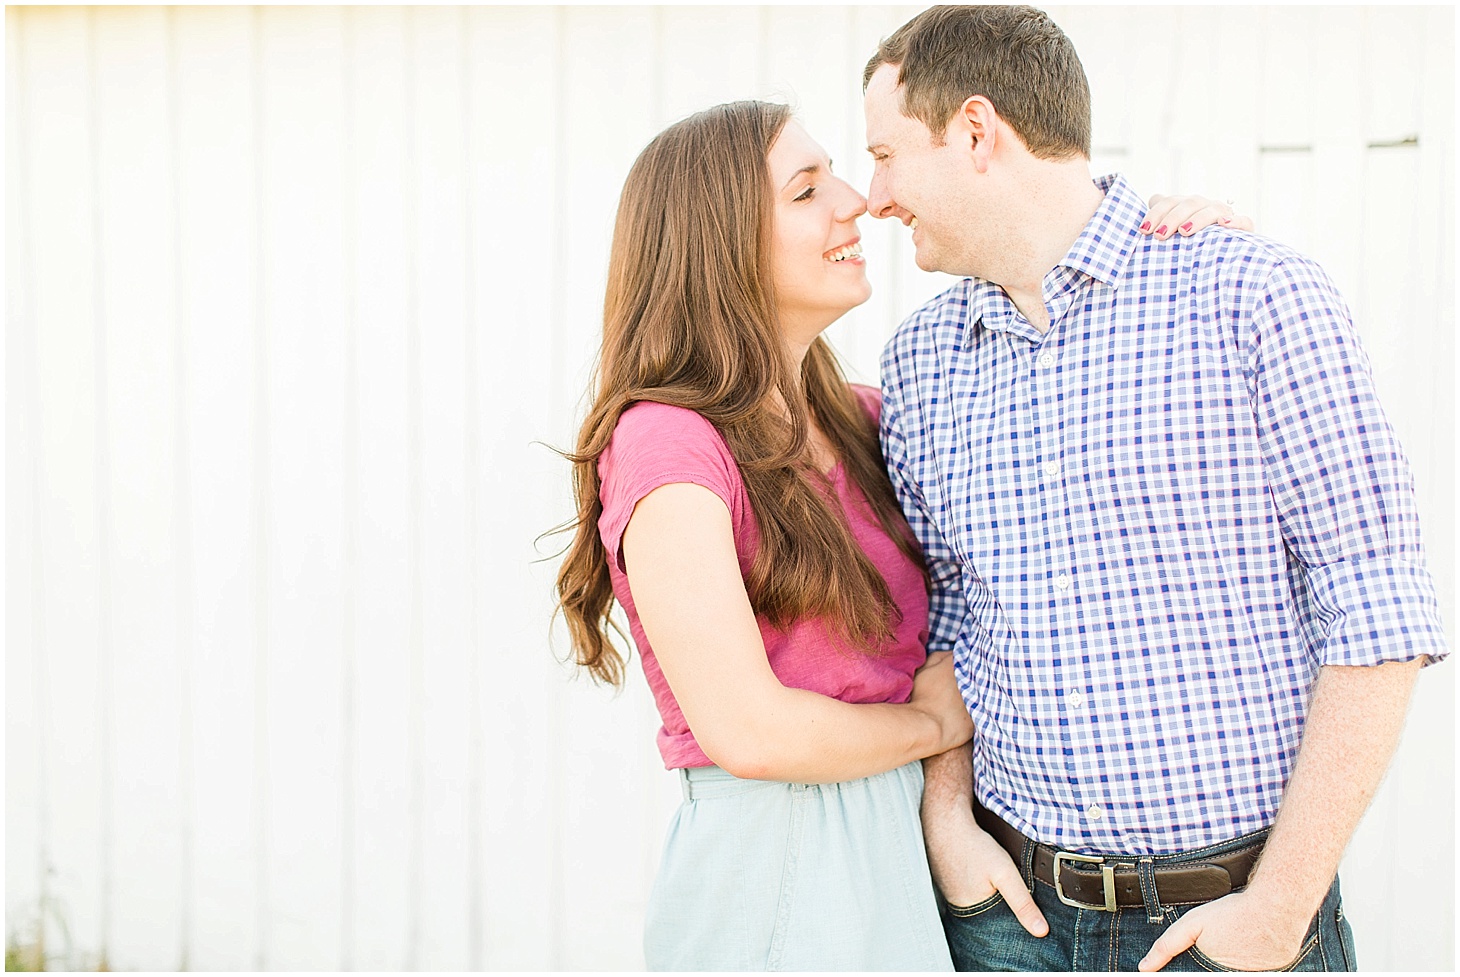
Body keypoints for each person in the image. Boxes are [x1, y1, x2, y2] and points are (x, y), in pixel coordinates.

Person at [553, 98, 1242, 971]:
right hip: (778, 855)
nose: (855, 201)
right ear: (717, 241)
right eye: (806, 190)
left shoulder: (864, 422)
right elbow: (751, 732)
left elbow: (1065, 446)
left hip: (892, 846)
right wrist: (931, 723)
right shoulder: (668, 440)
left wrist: (1163, 249)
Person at [861, 5, 1449, 973]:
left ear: (974, 131)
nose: (872, 194)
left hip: (1237, 925)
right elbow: (946, 614)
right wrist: (944, 816)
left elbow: (1375, 613)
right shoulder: (919, 362)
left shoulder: (1251, 296)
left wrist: (1278, 907)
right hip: (1011, 921)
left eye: (885, 154)